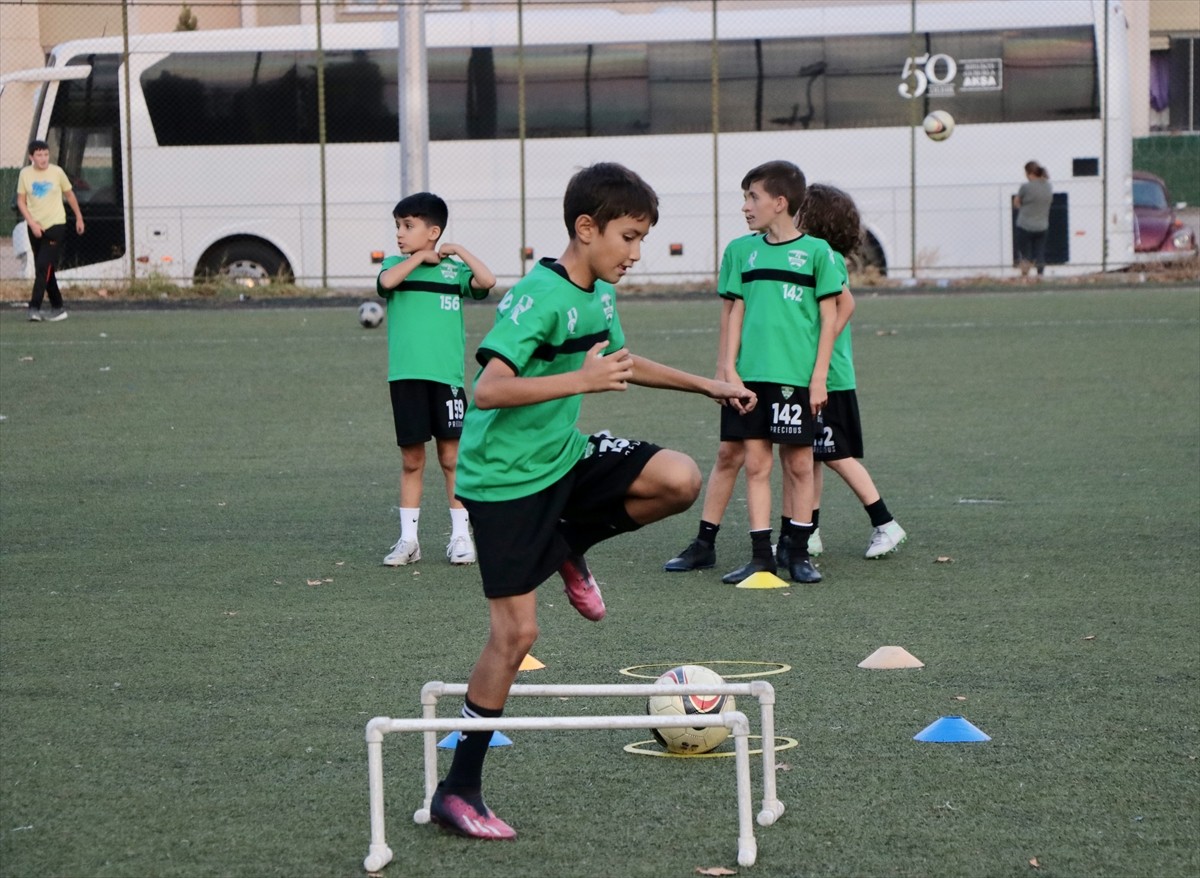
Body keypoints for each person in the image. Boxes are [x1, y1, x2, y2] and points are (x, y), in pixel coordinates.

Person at [429, 162, 756, 839]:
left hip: (564, 456)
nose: (636, 253)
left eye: (642, 239)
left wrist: (710, 386)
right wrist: (582, 379)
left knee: (678, 478)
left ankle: (568, 546)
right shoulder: (538, 296)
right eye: (629, 237)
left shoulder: (600, 294)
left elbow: (622, 364)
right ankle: (458, 791)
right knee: (516, 635)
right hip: (504, 481)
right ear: (586, 228)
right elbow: (488, 389)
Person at [664, 160, 841, 585]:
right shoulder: (742, 252)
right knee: (754, 464)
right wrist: (728, 369)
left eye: (752, 197)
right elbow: (734, 313)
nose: (745, 206)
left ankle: (798, 553)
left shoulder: (817, 253)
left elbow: (830, 317)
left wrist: (819, 377)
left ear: (780, 202)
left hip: (796, 380)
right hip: (750, 378)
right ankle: (761, 556)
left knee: (800, 465)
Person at [775, 183, 906, 565]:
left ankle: (885, 522)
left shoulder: (825, 257)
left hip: (828, 378)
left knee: (835, 455)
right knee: (810, 456)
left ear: (813, 217)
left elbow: (845, 306)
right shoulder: (815, 255)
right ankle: (808, 532)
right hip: (812, 374)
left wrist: (816, 350)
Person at [376, 192, 496, 567]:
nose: (399, 233)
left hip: (446, 379)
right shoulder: (396, 265)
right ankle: (408, 541)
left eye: (408, 226)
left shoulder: (452, 272)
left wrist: (458, 251)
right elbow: (387, 281)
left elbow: (487, 280)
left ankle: (461, 537)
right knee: (412, 460)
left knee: (451, 458)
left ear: (433, 232)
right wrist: (417, 258)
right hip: (405, 378)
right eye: (398, 225)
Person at [15, 140, 84, 322]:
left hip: (56, 226)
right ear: (31, 157)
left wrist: (79, 217)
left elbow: (69, 195)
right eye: (39, 155)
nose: (43, 158)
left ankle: (34, 307)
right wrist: (32, 224)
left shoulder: (57, 172)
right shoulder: (25, 174)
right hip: (35, 228)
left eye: (46, 154)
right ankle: (58, 306)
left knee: (42, 266)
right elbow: (21, 201)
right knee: (46, 268)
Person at [1014, 161, 1052, 280]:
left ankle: (1025, 276)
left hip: (1025, 225)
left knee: (1026, 253)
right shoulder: (1048, 186)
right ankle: (1040, 275)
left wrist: (1024, 206)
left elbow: (1016, 202)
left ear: (1030, 173)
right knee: (1040, 251)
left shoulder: (1025, 187)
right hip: (1042, 225)